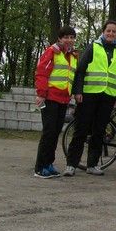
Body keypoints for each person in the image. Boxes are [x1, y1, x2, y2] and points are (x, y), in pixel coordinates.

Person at [65, 20, 116, 177]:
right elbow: (80, 70)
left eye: (114, 31)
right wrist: (77, 91)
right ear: (103, 32)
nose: (111, 33)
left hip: (109, 96)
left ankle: (92, 164)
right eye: (108, 31)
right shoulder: (93, 47)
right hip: (89, 95)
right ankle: (71, 164)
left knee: (99, 132)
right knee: (81, 130)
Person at [33, 25, 78, 178]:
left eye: (72, 37)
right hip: (50, 98)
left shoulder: (73, 56)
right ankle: (40, 168)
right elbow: (42, 73)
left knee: (55, 133)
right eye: (66, 37)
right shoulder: (52, 51)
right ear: (59, 38)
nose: (69, 40)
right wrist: (41, 94)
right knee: (49, 132)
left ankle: (49, 164)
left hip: (63, 99)